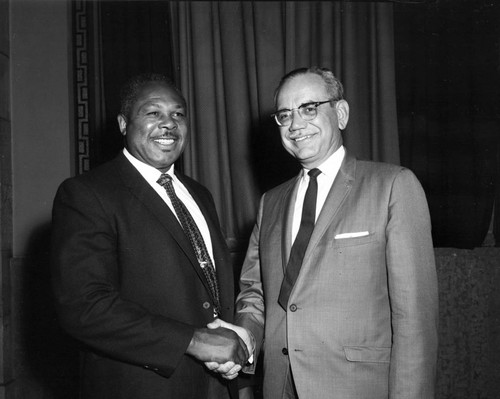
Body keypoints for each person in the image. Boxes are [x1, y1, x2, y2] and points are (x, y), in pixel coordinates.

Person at [221, 66, 439, 398]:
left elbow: (415, 322)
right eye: (285, 115)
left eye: (309, 108)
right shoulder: (271, 203)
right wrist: (243, 339)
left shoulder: (392, 186)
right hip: (280, 388)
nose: (295, 124)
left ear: (340, 113)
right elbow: (257, 294)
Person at [50, 73, 252, 399]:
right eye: (153, 112)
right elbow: (83, 307)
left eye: (178, 114)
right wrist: (192, 340)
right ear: (122, 123)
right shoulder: (87, 193)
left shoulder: (200, 194)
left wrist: (237, 380)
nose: (168, 124)